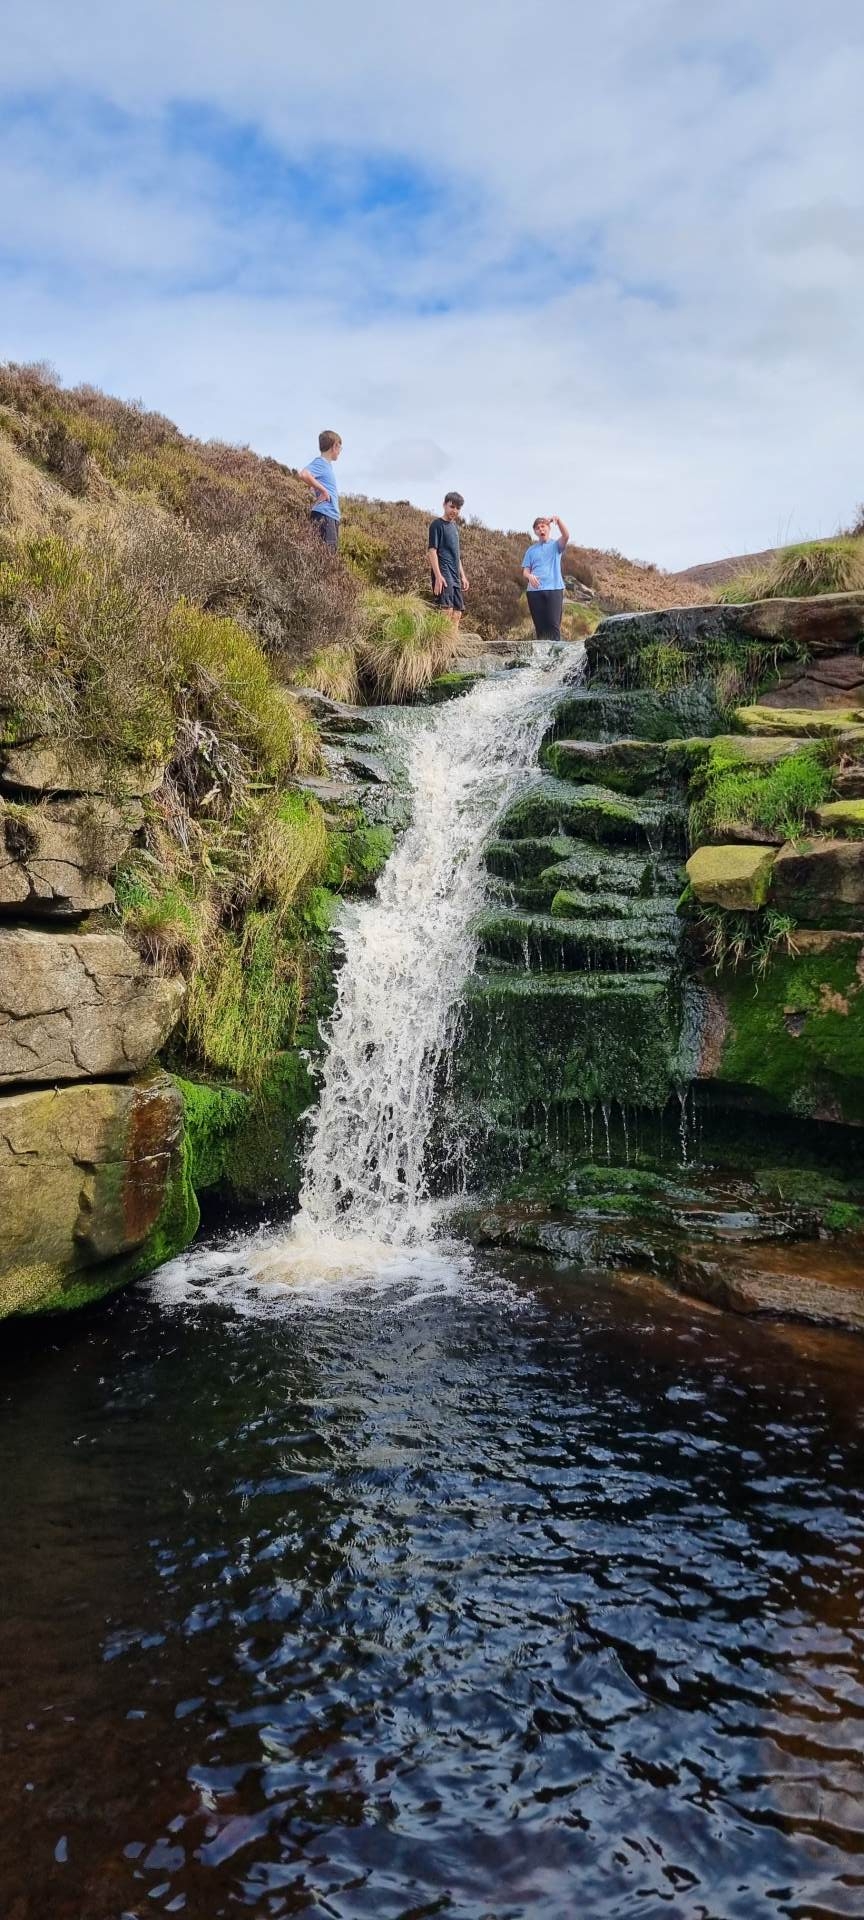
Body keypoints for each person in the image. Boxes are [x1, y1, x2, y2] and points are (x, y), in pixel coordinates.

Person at [522, 514, 571, 642]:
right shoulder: (531, 550)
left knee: (553, 626)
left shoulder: (556, 545)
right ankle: (542, 654)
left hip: (554, 589)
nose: (541, 529)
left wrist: (558, 521)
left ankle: (556, 653)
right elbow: (525, 571)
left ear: (548, 528)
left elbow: (566, 535)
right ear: (535, 532)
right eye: (538, 528)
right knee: (540, 629)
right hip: (534, 592)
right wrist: (529, 576)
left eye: (543, 526)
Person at [428, 491, 469, 628]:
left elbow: (456, 555)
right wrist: (438, 576)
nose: (454, 511)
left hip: (455, 575)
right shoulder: (436, 525)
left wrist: (463, 576)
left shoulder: (455, 527)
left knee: (457, 613)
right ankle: (442, 641)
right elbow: (432, 551)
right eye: (452, 507)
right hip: (444, 573)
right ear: (444, 505)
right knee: (446, 611)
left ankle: (453, 640)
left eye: (458, 508)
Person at [300, 431, 342, 549]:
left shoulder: (326, 466)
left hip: (330, 516)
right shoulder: (321, 462)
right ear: (334, 446)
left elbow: (311, 479)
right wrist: (323, 490)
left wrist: (314, 488)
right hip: (325, 515)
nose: (340, 451)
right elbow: (304, 474)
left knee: (327, 555)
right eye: (340, 448)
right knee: (328, 555)